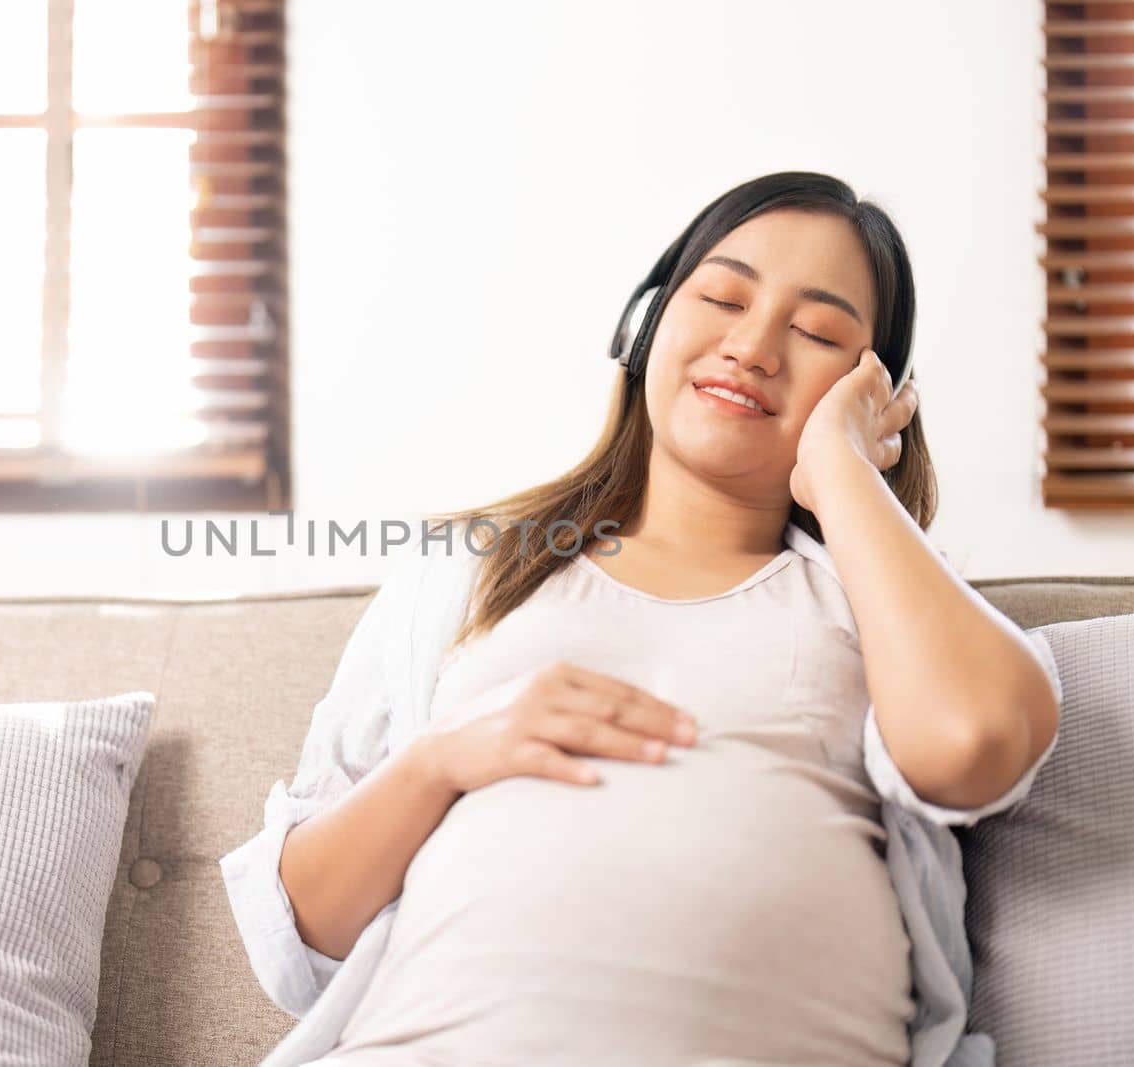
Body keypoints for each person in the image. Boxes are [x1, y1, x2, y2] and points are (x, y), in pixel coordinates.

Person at [221, 171, 1063, 1066]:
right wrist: (440, 759)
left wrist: (842, 469)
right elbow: (298, 937)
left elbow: (975, 742)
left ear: (872, 392)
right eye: (723, 296)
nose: (752, 346)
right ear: (645, 322)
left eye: (816, 332)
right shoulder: (468, 569)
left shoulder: (876, 600)